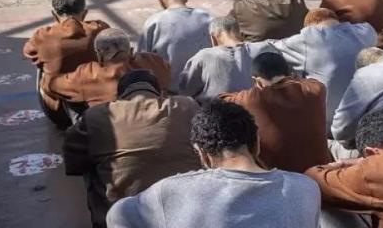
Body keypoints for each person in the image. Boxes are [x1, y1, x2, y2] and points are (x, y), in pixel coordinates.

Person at [106, 100, 322, 228]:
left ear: (202, 153)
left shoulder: (170, 192)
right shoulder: (306, 188)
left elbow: (116, 215)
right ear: (256, 143)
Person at [63, 70, 199, 228]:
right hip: (186, 213)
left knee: (89, 161)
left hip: (123, 217)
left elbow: (72, 163)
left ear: (119, 97)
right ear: (160, 93)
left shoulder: (96, 116)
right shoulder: (187, 106)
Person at [270, 8, 377, 135]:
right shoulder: (366, 32)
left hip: (331, 128)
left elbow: (270, 47)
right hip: (368, 120)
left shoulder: (307, 39)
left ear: (309, 27)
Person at [220, 53, 331, 173]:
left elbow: (221, 100)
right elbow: (309, 82)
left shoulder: (250, 99)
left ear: (257, 81)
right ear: (289, 73)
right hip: (320, 174)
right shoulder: (316, 89)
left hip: (279, 177)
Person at [23, 0, 109, 128]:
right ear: (85, 13)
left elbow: (28, 51)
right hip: (99, 105)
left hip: (60, 113)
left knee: (41, 62)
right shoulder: (99, 29)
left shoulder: (43, 36)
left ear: (54, 15)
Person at [47, 28, 171, 114]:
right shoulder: (153, 61)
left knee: (71, 96)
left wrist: (47, 78)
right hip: (154, 119)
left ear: (99, 55)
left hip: (111, 130)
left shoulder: (89, 73)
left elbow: (53, 85)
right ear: (131, 50)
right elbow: (168, 72)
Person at [179, 16, 277, 101]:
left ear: (213, 37)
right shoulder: (264, 48)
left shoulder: (204, 56)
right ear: (239, 33)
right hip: (258, 110)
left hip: (218, 113)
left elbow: (185, 90)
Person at [137, 0, 211, 91]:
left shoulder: (154, 22)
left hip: (169, 92)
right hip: (203, 89)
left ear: (161, 1)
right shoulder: (207, 18)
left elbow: (141, 60)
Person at [231, 0, 308, 41]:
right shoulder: (297, 1)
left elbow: (228, 28)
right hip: (294, 51)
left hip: (258, 54)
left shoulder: (243, 7)